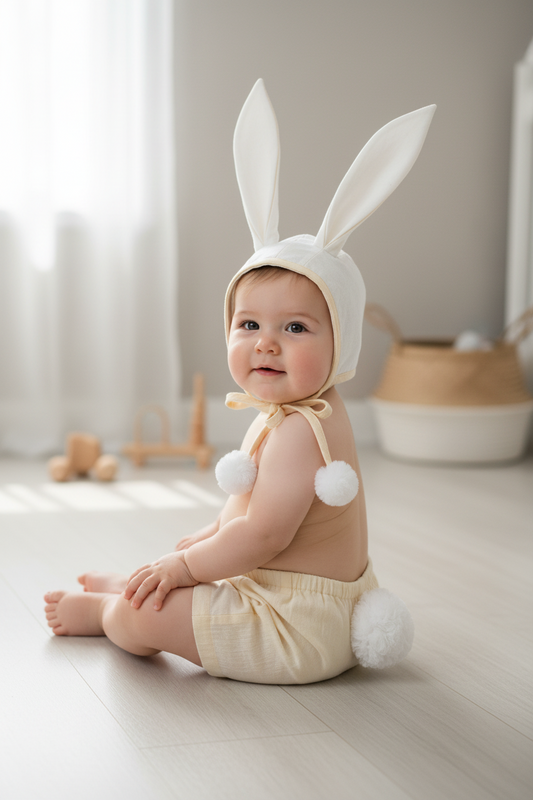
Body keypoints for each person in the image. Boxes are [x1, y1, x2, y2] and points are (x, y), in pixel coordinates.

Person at [44, 80, 434, 681]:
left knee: (145, 614)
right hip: (281, 589)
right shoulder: (291, 411)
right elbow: (245, 517)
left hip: (295, 627)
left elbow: (263, 533)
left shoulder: (305, 431)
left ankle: (110, 610)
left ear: (341, 345)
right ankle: (137, 584)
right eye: (248, 323)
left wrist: (187, 569)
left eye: (296, 327)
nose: (266, 342)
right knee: (181, 564)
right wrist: (200, 543)